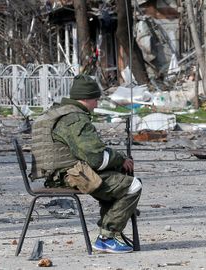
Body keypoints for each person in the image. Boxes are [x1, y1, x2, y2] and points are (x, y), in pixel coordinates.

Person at [31, 74, 142, 253]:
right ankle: (107, 237)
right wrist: (121, 160)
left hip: (58, 175)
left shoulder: (58, 112)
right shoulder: (75, 119)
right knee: (132, 185)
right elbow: (96, 158)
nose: (97, 105)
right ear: (85, 98)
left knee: (116, 181)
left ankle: (110, 232)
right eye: (95, 100)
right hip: (71, 177)